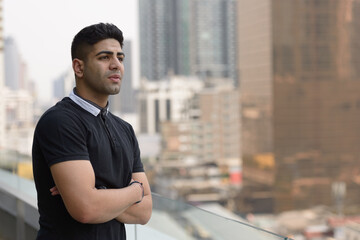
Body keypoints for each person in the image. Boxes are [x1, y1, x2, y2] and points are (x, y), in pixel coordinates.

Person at [32, 23, 152, 240]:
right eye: (105, 57)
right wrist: (135, 191)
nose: (116, 65)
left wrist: (100, 194)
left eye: (120, 58)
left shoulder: (125, 129)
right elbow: (86, 209)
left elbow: (145, 211)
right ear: (79, 67)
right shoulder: (60, 121)